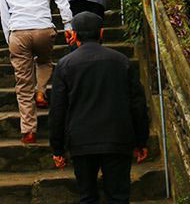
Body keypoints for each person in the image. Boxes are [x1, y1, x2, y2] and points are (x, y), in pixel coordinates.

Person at [49, 12, 150, 204]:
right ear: (101, 32)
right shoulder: (121, 62)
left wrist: (57, 147)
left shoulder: (65, 65)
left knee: (87, 197)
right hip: (117, 137)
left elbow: (58, 109)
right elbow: (137, 104)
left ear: (75, 35)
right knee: (119, 197)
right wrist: (141, 140)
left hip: (81, 140)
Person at [0, 0, 73, 144]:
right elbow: (62, 1)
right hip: (43, 29)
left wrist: (10, 38)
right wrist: (68, 25)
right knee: (45, 61)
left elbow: (5, 17)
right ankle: (40, 90)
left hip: (19, 33)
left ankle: (29, 130)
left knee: (23, 84)